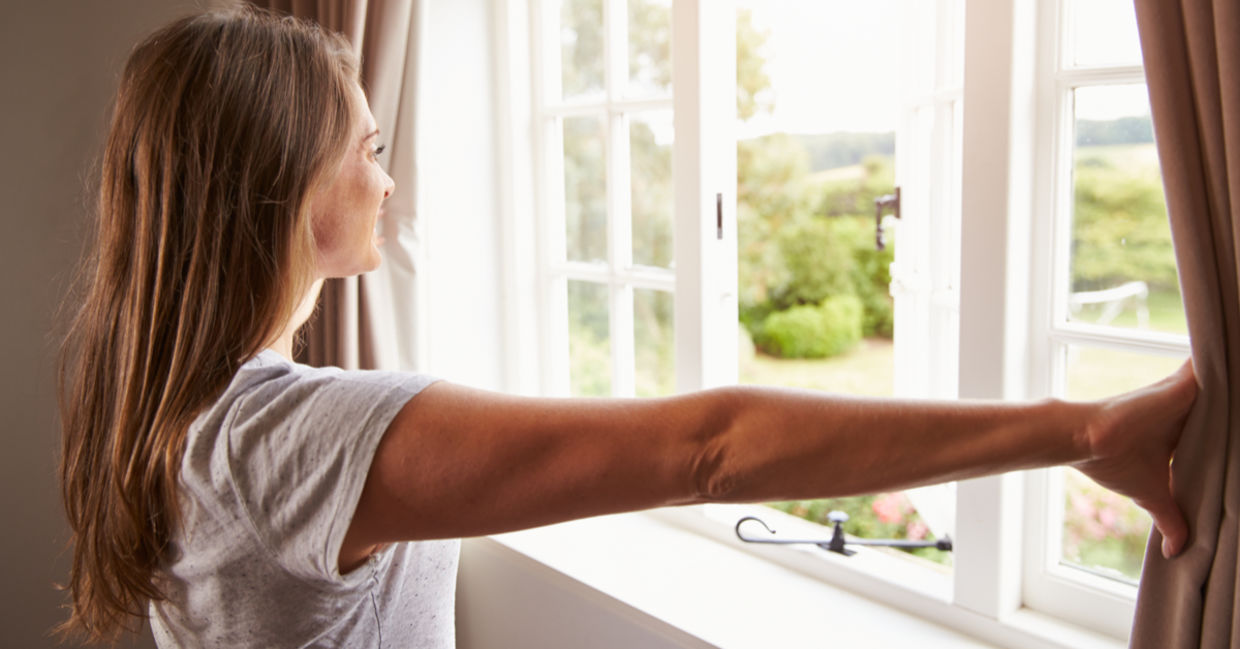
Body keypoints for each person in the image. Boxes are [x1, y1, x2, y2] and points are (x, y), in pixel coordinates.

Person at [57, 6, 1197, 648]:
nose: (387, 177)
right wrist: (1085, 427)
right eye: (367, 148)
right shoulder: (290, 435)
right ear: (288, 184)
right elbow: (708, 448)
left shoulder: (175, 394)